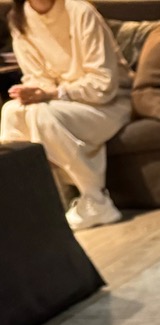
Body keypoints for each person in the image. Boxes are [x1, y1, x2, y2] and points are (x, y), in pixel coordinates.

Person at [1, 0, 131, 230]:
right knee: (11, 112)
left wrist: (53, 93)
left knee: (41, 115)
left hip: (108, 104)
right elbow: (36, 77)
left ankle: (96, 199)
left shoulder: (80, 11)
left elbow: (103, 85)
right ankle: (24, 206)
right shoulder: (19, 18)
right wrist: (33, 92)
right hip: (59, 103)